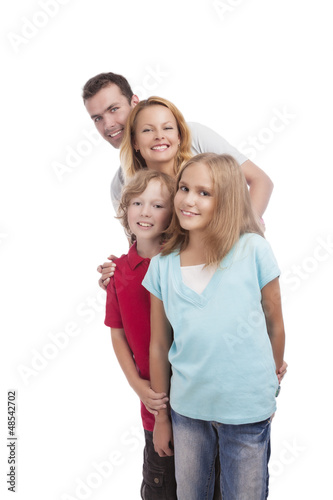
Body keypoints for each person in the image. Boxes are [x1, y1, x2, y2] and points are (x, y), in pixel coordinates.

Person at [143, 153, 286, 500]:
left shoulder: (253, 249)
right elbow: (159, 345)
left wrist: (271, 375)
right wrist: (162, 419)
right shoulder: (162, 265)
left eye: (204, 193)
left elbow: (275, 322)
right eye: (184, 188)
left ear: (226, 200)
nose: (189, 200)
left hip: (248, 409)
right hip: (188, 412)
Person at [82, 72, 274, 288]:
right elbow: (143, 250)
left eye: (113, 109)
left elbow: (260, 181)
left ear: (134, 102)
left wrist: (239, 241)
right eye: (97, 118)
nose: (108, 124)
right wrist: (120, 274)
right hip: (183, 287)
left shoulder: (192, 136)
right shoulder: (121, 185)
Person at [104, 169, 178, 499]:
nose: (145, 212)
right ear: (125, 208)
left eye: (157, 205)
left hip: (198, 403)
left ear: (173, 215)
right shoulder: (118, 271)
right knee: (159, 485)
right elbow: (117, 334)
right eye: (137, 202)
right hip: (152, 403)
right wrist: (137, 385)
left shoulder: (181, 264)